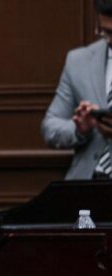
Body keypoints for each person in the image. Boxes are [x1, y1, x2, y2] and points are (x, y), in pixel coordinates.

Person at [42, 0, 112, 179]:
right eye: (106, 32)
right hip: (88, 184)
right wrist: (79, 129)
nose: (110, 40)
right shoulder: (79, 61)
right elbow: (50, 126)